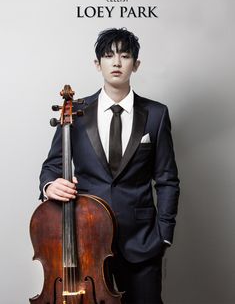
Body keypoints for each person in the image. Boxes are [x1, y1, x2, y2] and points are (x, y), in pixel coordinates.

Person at [39, 27, 180, 304]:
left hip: (142, 241)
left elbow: (167, 180)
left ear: (135, 65)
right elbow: (52, 166)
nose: (116, 62)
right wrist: (49, 185)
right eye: (108, 56)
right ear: (97, 64)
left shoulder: (156, 114)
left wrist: (164, 236)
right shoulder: (76, 112)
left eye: (125, 56)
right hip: (85, 240)